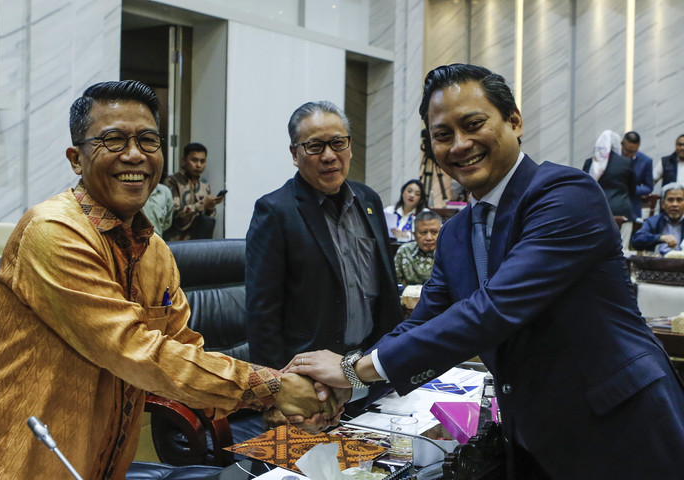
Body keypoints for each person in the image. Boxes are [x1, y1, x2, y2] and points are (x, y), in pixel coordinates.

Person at [286, 64, 684, 479]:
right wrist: (347, 389)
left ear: (514, 121)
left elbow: (492, 309)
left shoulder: (566, 195)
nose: (460, 145)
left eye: (473, 124)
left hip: (623, 430)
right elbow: (423, 323)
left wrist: (353, 368)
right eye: (443, 135)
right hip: (532, 437)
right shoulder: (455, 233)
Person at [0, 81, 338, 480]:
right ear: (76, 159)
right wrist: (274, 388)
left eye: (147, 140)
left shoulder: (154, 250)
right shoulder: (52, 232)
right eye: (113, 140)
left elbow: (184, 352)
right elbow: (133, 350)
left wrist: (280, 403)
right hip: (21, 464)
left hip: (104, 466)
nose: (134, 154)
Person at [245, 100, 403, 376]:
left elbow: (385, 290)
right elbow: (262, 317)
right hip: (310, 377)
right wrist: (278, 387)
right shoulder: (275, 212)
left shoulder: (368, 200)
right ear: (295, 154)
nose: (329, 156)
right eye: (315, 146)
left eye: (338, 143)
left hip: (369, 366)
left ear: (350, 146)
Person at [163, 142, 224, 240]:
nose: (199, 165)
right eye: (194, 160)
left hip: (199, 240)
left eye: (202, 161)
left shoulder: (204, 184)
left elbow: (208, 216)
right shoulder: (172, 181)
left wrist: (210, 206)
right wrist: (202, 205)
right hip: (175, 241)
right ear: (184, 160)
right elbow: (174, 213)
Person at [583, 130, 637, 220]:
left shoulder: (590, 163)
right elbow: (632, 190)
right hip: (621, 211)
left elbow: (584, 188)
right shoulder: (625, 163)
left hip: (596, 211)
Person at [630, 182, 684, 255]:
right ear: (662, 204)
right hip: (658, 260)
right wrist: (660, 238)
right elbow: (636, 240)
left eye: (679, 200)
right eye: (670, 200)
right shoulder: (653, 221)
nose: (675, 204)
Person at [393, 210, 442, 286]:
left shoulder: (448, 253)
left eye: (434, 232)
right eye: (423, 232)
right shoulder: (405, 251)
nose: (429, 238)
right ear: (414, 235)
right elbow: (395, 284)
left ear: (442, 233)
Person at [620, 131, 653, 218]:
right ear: (621, 144)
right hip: (612, 206)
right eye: (627, 151)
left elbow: (649, 187)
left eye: (634, 152)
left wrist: (631, 189)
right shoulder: (612, 158)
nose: (630, 155)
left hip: (633, 207)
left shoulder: (646, 161)